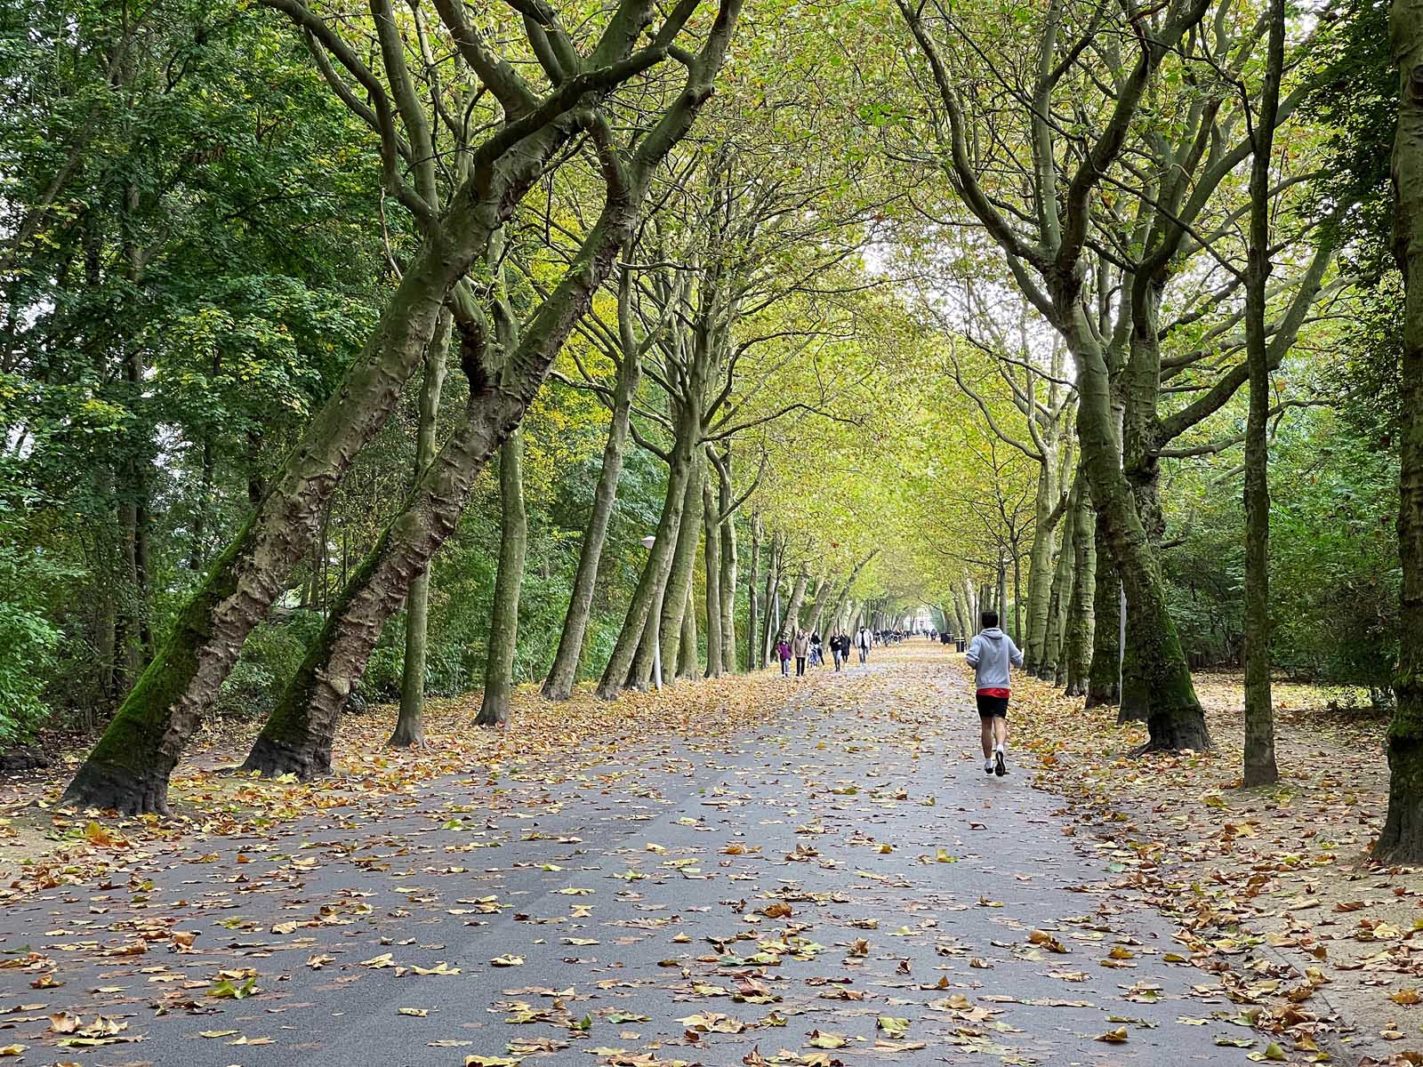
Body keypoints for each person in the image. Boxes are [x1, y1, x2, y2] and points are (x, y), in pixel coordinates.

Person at [965, 610, 1023, 778]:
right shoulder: (1006, 640)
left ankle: (989, 762)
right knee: (1000, 720)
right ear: (997, 622)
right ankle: (1000, 747)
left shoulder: (978, 640)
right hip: (1002, 688)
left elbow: (971, 659)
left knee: (986, 725)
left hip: (983, 687)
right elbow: (1018, 661)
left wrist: (977, 665)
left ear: (982, 623)